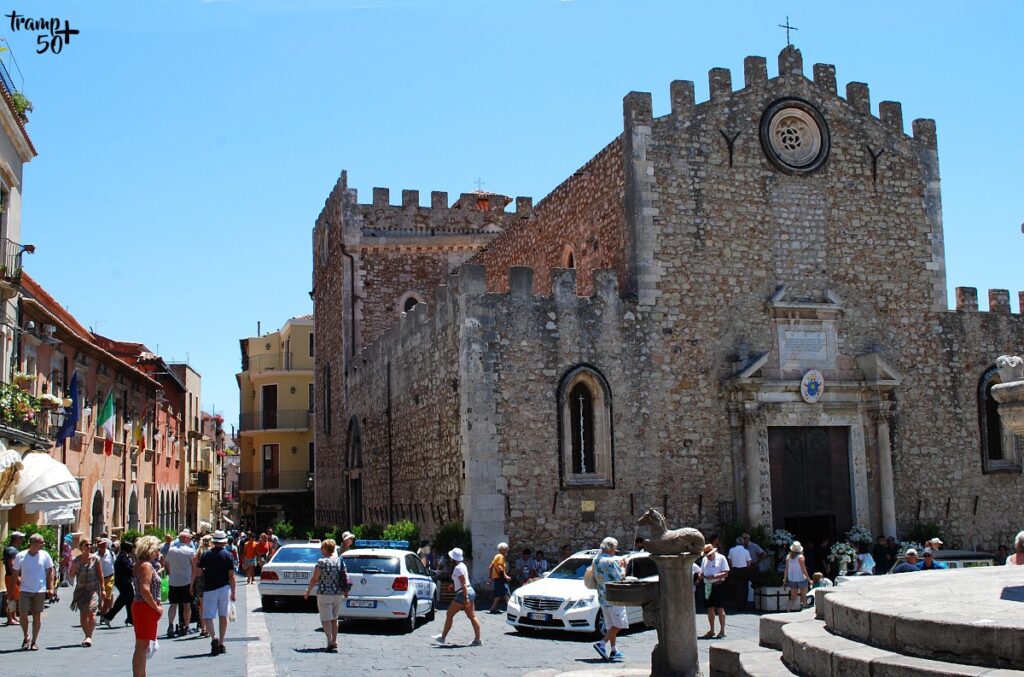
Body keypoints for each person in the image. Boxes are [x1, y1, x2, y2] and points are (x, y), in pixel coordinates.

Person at [303, 538, 349, 652]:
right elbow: (344, 576)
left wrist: (308, 590)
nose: (320, 549)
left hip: (324, 593)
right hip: (337, 593)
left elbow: (315, 578)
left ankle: (329, 640)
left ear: (325, 549)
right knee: (334, 618)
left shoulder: (321, 562)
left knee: (326, 619)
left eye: (322, 547)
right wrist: (346, 590)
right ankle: (335, 640)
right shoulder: (339, 561)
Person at [195, 530, 236, 656]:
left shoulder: (206, 555)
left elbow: (199, 573)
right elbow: (231, 576)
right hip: (224, 588)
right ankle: (222, 643)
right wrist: (234, 592)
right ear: (224, 542)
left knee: (208, 616)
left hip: (209, 589)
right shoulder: (228, 555)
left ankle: (214, 637)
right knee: (223, 616)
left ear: (214, 542)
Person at [433, 547, 481, 646]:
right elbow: (462, 582)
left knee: (449, 614)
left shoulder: (458, 568)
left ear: (453, 558)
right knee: (472, 616)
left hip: (463, 593)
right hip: (469, 590)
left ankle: (442, 637)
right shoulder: (463, 565)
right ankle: (478, 639)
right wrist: (453, 586)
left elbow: (463, 583)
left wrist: (466, 598)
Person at [131, 536, 163, 677]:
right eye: (157, 549)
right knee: (142, 645)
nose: (158, 552)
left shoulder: (139, 564)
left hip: (141, 606)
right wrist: (156, 608)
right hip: (145, 606)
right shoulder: (146, 566)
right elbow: (145, 590)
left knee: (142, 645)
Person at [591, 536, 627, 661]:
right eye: (615, 548)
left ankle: (613, 650)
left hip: (602, 596)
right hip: (614, 597)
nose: (615, 551)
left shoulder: (596, 560)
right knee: (619, 624)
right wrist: (623, 567)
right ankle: (602, 643)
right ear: (611, 548)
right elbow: (620, 578)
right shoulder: (610, 562)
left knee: (610, 625)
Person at [69, 537, 104, 646]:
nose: (89, 547)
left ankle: (89, 636)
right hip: (81, 591)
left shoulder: (95, 559)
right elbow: (71, 575)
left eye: (90, 545)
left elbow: (100, 575)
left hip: (93, 589)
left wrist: (103, 589)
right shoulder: (76, 560)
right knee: (83, 614)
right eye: (87, 545)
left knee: (92, 612)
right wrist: (75, 567)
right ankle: (86, 635)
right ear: (81, 547)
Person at [164, 531, 195, 637]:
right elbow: (194, 566)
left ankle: (170, 625)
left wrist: (171, 572)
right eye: (189, 538)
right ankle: (186, 627)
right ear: (186, 539)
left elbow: (166, 563)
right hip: (186, 580)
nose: (191, 539)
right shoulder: (190, 551)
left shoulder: (171, 550)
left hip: (174, 581)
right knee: (187, 605)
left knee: (173, 605)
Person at [699, 543, 730, 638]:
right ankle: (712, 630)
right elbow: (702, 572)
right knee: (710, 608)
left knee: (720, 608)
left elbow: (726, 573)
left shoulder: (721, 558)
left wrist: (715, 576)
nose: (708, 557)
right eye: (706, 555)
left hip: (718, 585)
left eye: (709, 555)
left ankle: (722, 630)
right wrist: (701, 576)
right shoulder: (704, 560)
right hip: (708, 585)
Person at [102, 539, 135, 626]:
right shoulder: (123, 558)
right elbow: (127, 569)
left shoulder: (123, 557)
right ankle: (108, 616)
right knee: (123, 600)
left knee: (129, 599)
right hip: (124, 581)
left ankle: (130, 618)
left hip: (123, 581)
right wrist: (133, 568)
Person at [783, 541, 810, 612]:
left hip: (792, 579)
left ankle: (787, 611)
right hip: (801, 578)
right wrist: (809, 579)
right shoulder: (801, 557)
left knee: (793, 597)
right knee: (804, 597)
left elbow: (786, 569)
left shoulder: (788, 557)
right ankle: (804, 613)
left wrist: (785, 579)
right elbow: (803, 569)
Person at [727, 536, 753, 612]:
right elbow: (749, 563)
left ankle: (738, 604)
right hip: (744, 570)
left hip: (735, 570)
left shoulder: (731, 550)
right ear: (743, 543)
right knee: (744, 588)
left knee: (736, 587)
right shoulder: (746, 551)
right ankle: (743, 604)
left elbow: (730, 561)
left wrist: (732, 567)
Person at [3, 531, 24, 624]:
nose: (22, 540)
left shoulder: (12, 549)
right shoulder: (12, 550)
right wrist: (17, 578)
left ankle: (13, 616)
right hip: (12, 577)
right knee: (11, 598)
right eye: (21, 538)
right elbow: (11, 565)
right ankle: (10, 619)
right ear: (16, 539)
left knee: (14, 597)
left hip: (12, 576)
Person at [487, 542, 511, 614]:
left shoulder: (497, 556)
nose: (508, 550)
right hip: (500, 578)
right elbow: (500, 568)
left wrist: (490, 577)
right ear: (502, 549)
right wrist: (505, 576)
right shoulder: (500, 556)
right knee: (504, 593)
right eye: (506, 548)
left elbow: (490, 567)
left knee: (501, 594)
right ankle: (512, 609)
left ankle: (492, 608)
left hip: (497, 579)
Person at [96, 538, 116, 620]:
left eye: (105, 544)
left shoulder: (111, 553)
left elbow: (115, 564)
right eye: (102, 544)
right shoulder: (95, 555)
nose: (104, 546)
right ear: (98, 546)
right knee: (99, 597)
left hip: (109, 577)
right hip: (98, 579)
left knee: (107, 597)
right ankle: (102, 611)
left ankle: (103, 615)